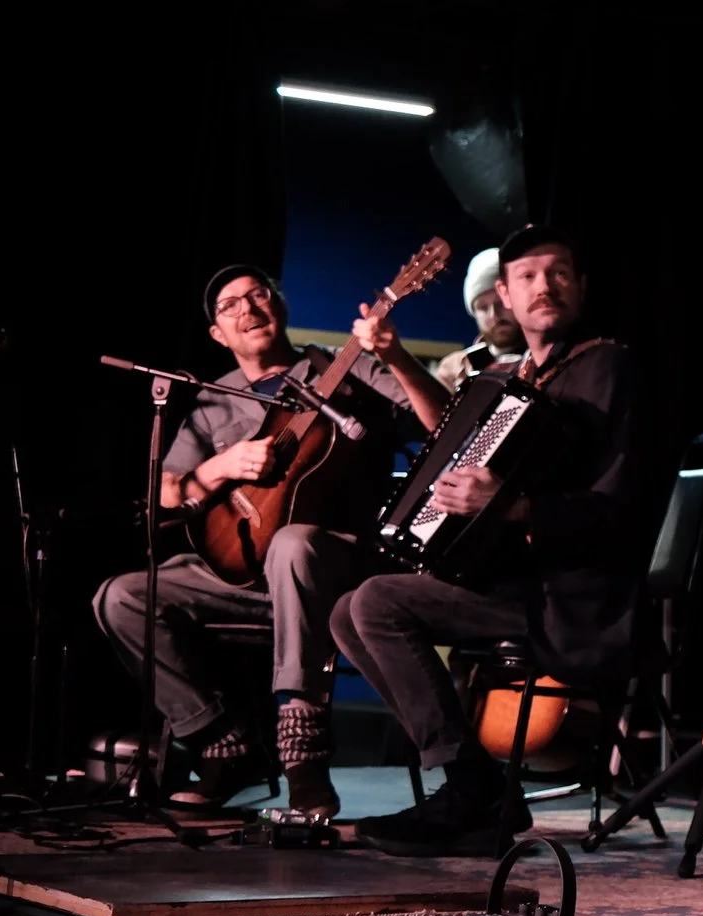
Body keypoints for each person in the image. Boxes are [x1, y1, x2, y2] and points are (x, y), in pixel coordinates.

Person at [337, 226, 648, 856]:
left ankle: (470, 790)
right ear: (504, 295)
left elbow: (623, 511)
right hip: (512, 582)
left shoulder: (606, 367)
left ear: (581, 287)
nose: (544, 286)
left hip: (571, 597)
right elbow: (450, 435)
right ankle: (478, 786)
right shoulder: (514, 375)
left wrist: (508, 504)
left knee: (376, 603)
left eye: (558, 273)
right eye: (528, 277)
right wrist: (395, 358)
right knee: (346, 612)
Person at [93, 266, 446, 815]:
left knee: (292, 543)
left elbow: (445, 427)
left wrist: (396, 356)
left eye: (258, 295)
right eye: (231, 305)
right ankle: (222, 744)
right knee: (121, 596)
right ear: (217, 333)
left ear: (279, 306)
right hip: (240, 577)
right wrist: (222, 465)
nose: (249, 309)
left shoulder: (345, 368)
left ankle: (303, 754)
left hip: (333, 573)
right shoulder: (215, 400)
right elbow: (166, 489)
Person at [433, 245, 527, 394]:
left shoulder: (543, 356)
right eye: (482, 307)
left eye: (500, 302)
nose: (494, 314)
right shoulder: (453, 368)